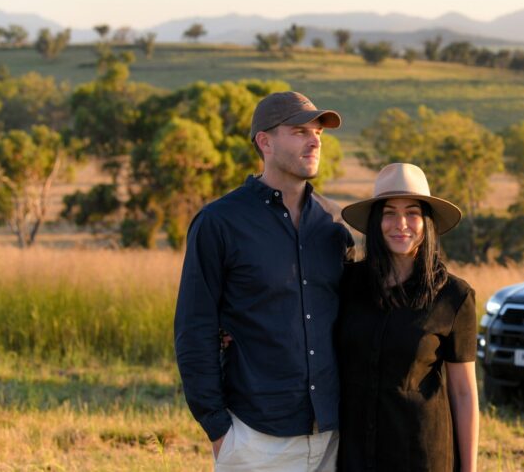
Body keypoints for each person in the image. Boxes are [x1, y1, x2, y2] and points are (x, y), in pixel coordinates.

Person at [174, 91, 354, 471]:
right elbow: (195, 328)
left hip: (332, 438)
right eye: (300, 131)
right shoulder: (220, 223)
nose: (314, 141)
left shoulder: (335, 225)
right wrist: (219, 430)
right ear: (265, 141)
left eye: (319, 133)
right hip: (255, 438)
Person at [337, 162, 480, 472]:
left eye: (413, 213)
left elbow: (464, 392)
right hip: (354, 454)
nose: (400, 223)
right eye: (389, 213)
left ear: (427, 222)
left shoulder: (454, 296)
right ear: (375, 222)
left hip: (421, 453)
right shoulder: (347, 284)